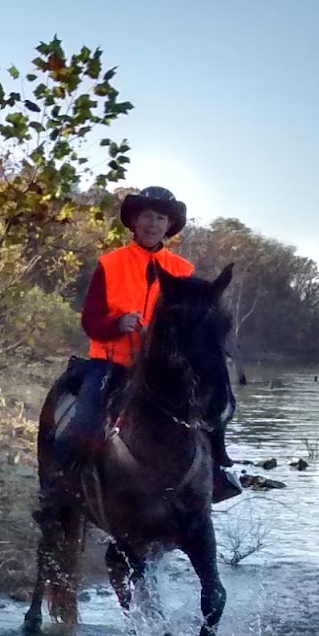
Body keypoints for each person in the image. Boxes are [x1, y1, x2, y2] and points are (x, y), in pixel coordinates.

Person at [63, 185, 240, 502]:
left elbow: (196, 323)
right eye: (147, 216)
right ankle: (61, 491)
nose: (153, 223)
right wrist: (116, 324)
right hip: (112, 361)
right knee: (85, 418)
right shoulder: (110, 263)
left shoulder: (183, 270)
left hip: (165, 368)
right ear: (134, 221)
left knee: (216, 404)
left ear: (168, 226)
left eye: (160, 217)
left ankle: (215, 473)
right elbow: (90, 319)